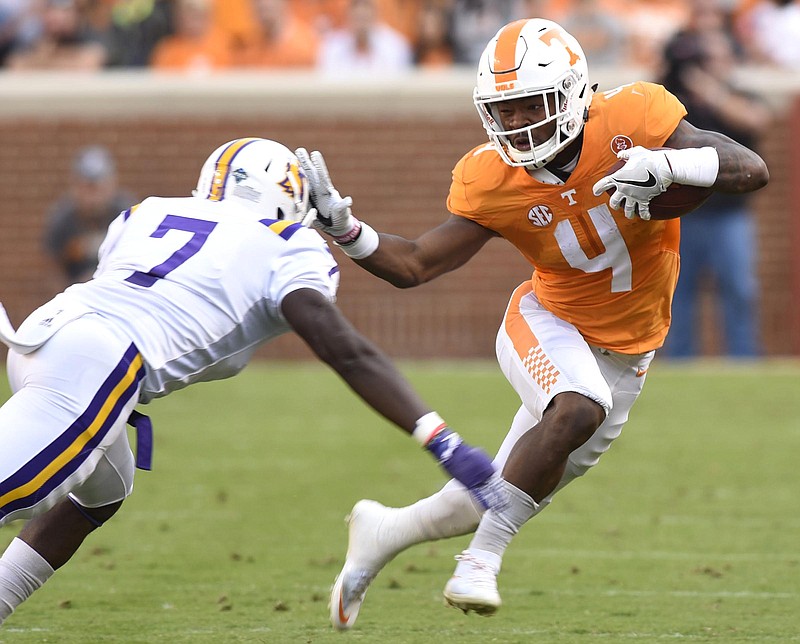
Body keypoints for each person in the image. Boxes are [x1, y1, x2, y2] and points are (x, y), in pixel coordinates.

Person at [296, 17, 769, 628]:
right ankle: (481, 562)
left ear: (573, 93)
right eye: (505, 111)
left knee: (499, 487)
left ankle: (382, 532)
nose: (517, 125)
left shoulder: (632, 117)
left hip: (629, 353)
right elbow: (415, 264)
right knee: (575, 407)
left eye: (530, 105)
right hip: (548, 320)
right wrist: (344, 230)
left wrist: (672, 169)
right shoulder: (493, 176)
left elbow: (750, 167)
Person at [0, 138, 505, 628]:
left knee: (103, 489)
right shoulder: (287, 243)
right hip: (95, 369)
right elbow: (343, 349)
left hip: (46, 335)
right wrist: (442, 441)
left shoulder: (144, 212)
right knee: (14, 490)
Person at [659, 2, 772, 357]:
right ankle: (679, 366)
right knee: (677, 295)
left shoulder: (738, 93)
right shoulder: (672, 100)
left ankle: (743, 361)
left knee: (739, 291)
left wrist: (710, 86)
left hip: (729, 215)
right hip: (681, 217)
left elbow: (756, 120)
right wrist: (677, 70)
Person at [43, 145, 136, 286]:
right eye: (87, 187)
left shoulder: (126, 214)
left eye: (98, 187)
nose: (93, 196)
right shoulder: (63, 220)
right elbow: (53, 267)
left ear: (112, 184)